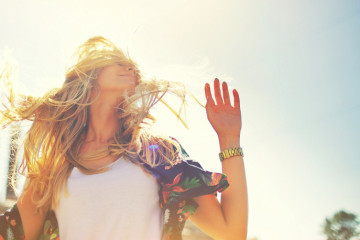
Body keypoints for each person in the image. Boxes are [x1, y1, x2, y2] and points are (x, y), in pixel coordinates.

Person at [0, 36, 248, 240]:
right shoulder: (54, 166)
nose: (130, 68)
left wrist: (229, 138)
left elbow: (232, 232)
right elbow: (13, 234)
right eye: (118, 62)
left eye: (132, 67)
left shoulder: (158, 154)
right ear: (89, 74)